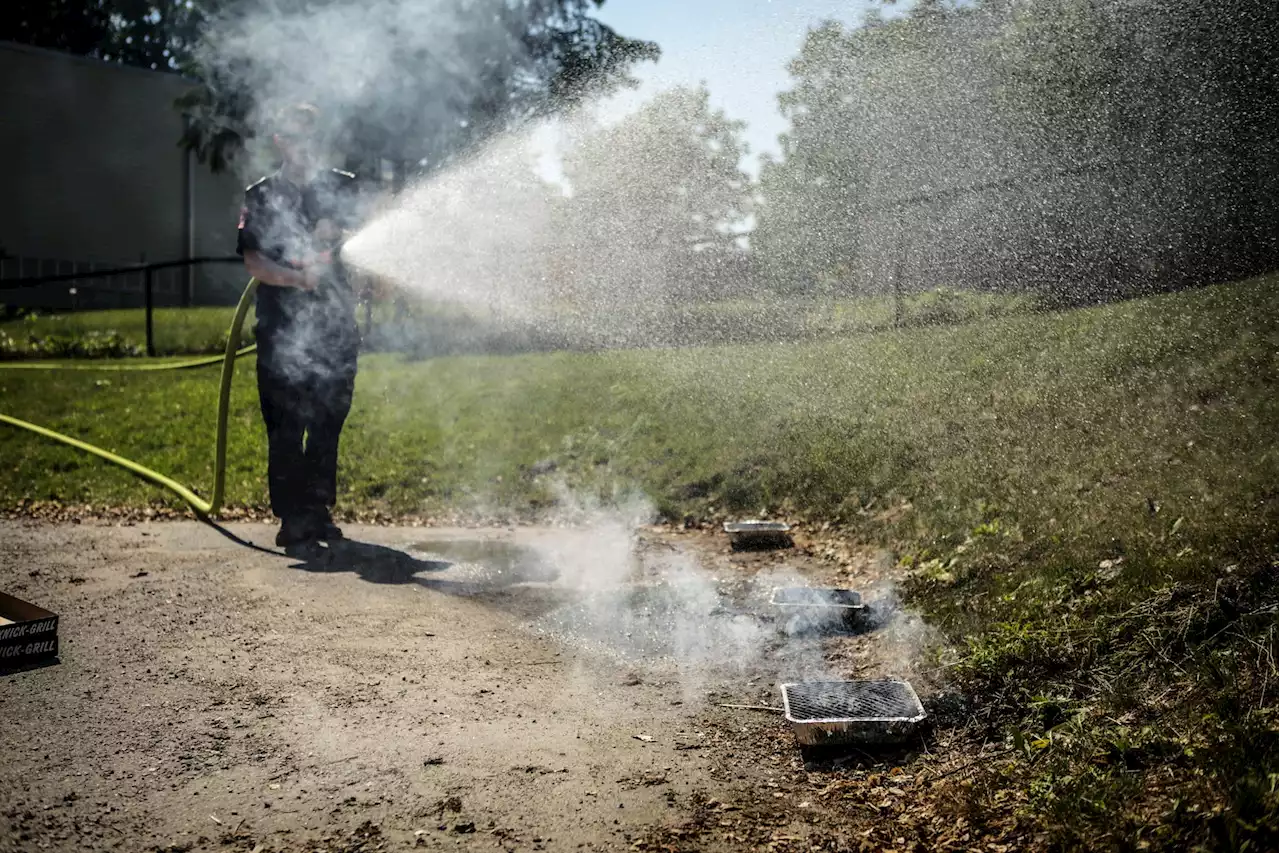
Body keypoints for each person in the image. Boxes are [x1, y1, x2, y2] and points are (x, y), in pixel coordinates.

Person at [236, 102, 365, 548]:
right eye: (294, 135)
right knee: (286, 422)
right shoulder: (261, 195)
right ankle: (293, 516)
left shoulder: (342, 189)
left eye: (311, 134)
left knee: (329, 419)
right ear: (280, 141)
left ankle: (317, 508)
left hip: (336, 329)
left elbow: (366, 240)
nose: (303, 143)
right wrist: (297, 278)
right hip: (279, 329)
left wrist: (343, 241)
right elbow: (253, 259)